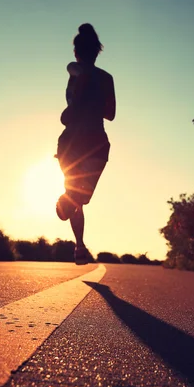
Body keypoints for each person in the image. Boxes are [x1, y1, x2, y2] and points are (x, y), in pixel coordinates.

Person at [55, 23, 116, 265]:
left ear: (76, 51)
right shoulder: (87, 74)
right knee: (78, 197)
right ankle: (79, 246)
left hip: (76, 143)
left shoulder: (80, 71)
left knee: (78, 198)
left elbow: (106, 111)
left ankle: (67, 201)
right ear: (97, 51)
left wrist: (75, 109)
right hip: (88, 144)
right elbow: (110, 114)